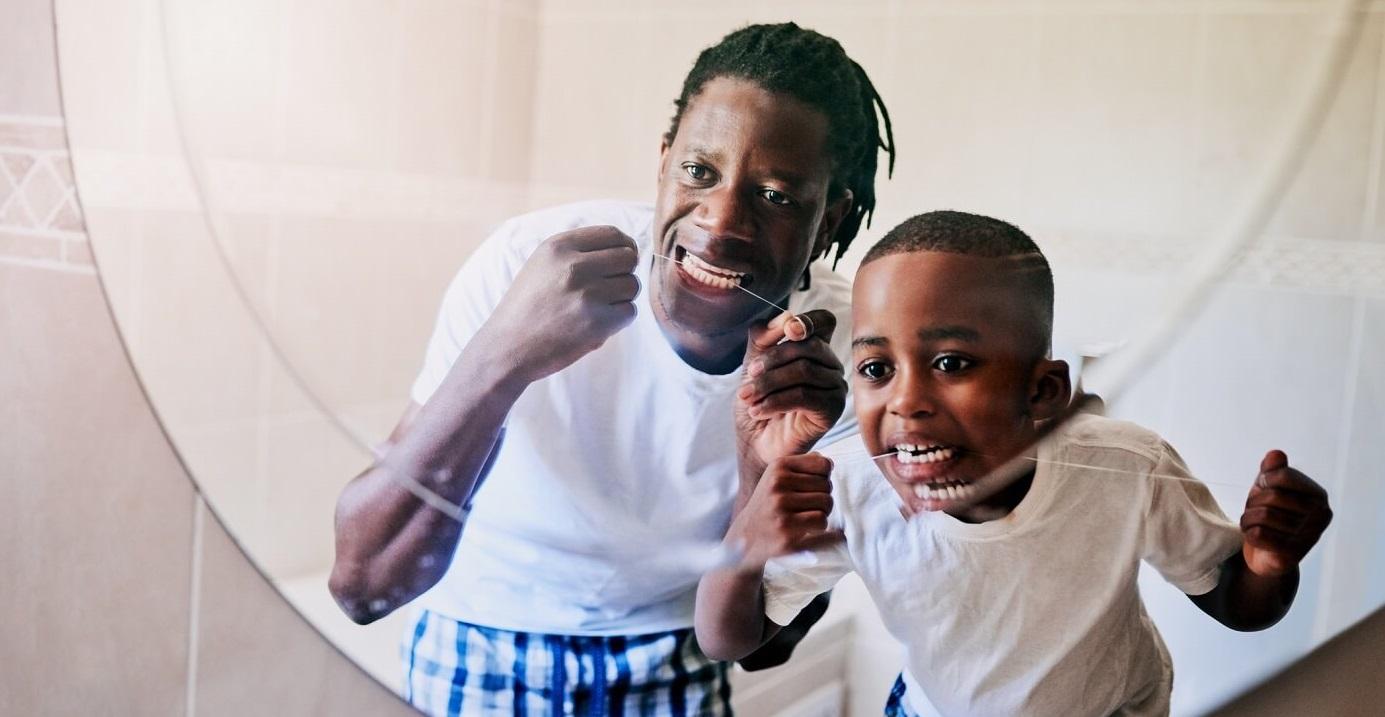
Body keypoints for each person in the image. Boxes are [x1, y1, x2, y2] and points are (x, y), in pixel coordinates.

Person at [328, 23, 896, 716]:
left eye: (775, 195)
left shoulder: (846, 353)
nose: (719, 223)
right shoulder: (527, 264)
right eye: (698, 171)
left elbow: (763, 644)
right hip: (478, 637)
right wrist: (505, 351)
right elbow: (362, 585)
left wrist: (767, 464)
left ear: (831, 215)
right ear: (662, 163)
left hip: (677, 655)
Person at [694, 211, 1334, 716]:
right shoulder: (855, 485)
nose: (907, 402)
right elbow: (730, 640)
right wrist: (744, 544)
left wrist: (1269, 562)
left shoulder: (1129, 468)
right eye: (876, 369)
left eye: (951, 364)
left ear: (1044, 392)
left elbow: (1240, 605)